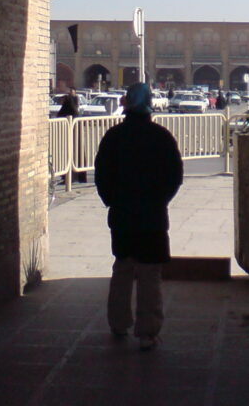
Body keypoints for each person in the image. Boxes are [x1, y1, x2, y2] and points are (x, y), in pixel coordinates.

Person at [95, 83, 184, 351]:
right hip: (152, 217)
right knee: (149, 273)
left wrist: (113, 200)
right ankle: (147, 331)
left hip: (122, 215)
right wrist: (160, 201)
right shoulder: (161, 137)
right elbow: (174, 176)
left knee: (122, 267)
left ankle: (118, 322)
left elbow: (102, 175)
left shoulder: (114, 136)